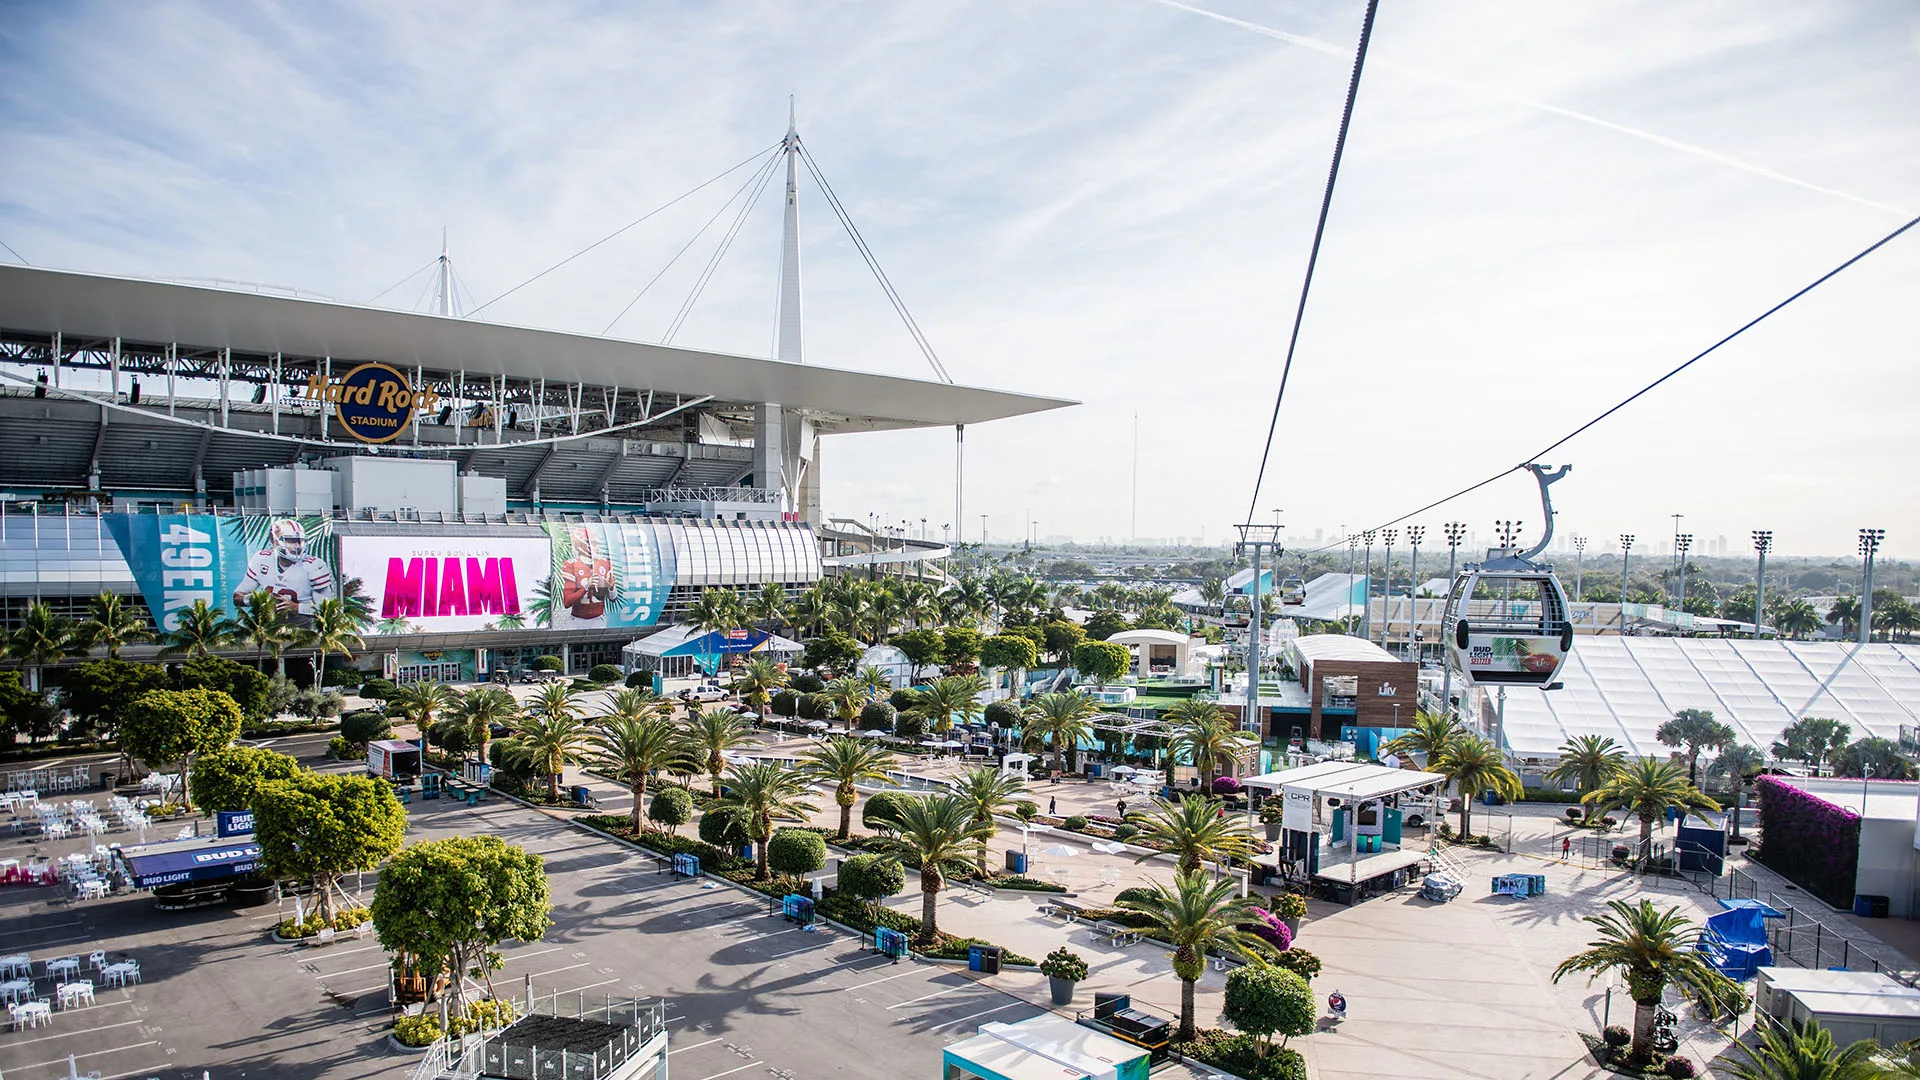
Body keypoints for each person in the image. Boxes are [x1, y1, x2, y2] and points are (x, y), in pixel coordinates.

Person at [234, 518, 333, 626]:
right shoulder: (261, 559)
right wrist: (257, 599)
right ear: (274, 541)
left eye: (300, 540)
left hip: (304, 628)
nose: (298, 546)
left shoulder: (314, 566)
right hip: (270, 627)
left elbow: (326, 610)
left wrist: (296, 607)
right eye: (291, 541)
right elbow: (237, 597)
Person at [559, 526, 613, 622]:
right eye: (591, 543)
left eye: (595, 543)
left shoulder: (605, 563)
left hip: (599, 619)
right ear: (580, 544)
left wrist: (611, 587)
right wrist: (586, 587)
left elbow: (613, 598)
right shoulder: (571, 564)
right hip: (577, 619)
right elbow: (567, 602)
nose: (595, 546)